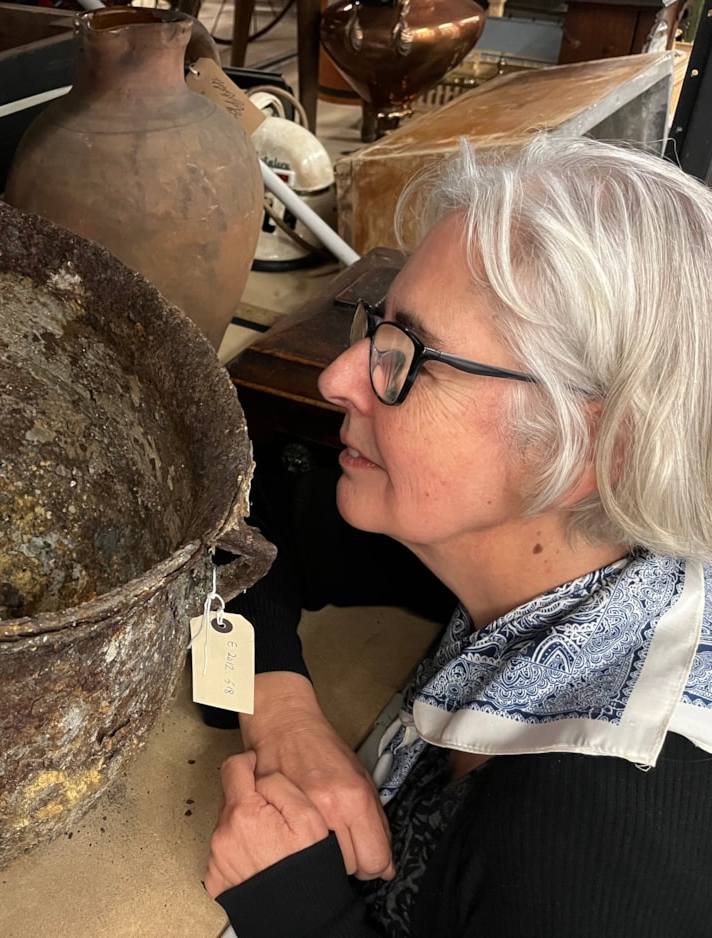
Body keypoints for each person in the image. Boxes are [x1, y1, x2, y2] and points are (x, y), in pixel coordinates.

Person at [203, 134, 712, 937]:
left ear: (590, 447)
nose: (340, 377)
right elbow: (224, 528)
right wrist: (281, 713)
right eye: (376, 324)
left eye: (410, 357)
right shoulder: (536, 548)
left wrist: (298, 909)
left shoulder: (599, 845)